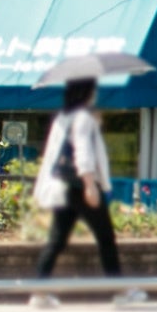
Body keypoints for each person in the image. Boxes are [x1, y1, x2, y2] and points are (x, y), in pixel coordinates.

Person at [32, 76, 122, 284]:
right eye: (93, 90)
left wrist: (95, 124)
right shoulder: (83, 117)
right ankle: (120, 289)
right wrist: (90, 186)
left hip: (63, 185)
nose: (96, 94)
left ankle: (39, 290)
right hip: (81, 185)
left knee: (57, 240)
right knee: (106, 238)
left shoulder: (64, 117)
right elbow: (83, 152)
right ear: (87, 92)